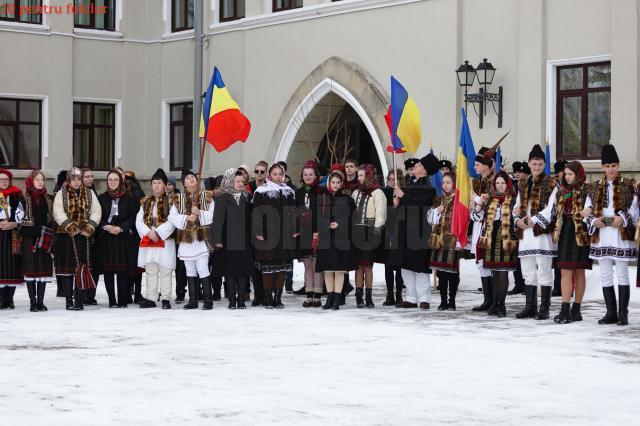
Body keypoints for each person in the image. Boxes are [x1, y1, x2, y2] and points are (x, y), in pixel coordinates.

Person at [583, 145, 638, 326]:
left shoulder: (629, 185)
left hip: (620, 235)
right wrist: (592, 221)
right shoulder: (593, 187)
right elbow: (588, 209)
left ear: (619, 165)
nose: (611, 169)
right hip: (602, 236)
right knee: (605, 274)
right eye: (607, 166)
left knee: (622, 273)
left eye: (614, 165)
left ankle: (623, 314)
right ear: (602, 167)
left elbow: (634, 208)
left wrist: (622, 218)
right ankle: (610, 312)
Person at [513, 144, 559, 320]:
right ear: (529, 164)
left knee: (544, 271)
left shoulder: (552, 183)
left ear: (544, 164)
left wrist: (533, 220)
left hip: (541, 232)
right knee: (527, 271)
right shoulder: (523, 184)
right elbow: (517, 206)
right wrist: (517, 220)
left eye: (540, 164)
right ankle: (530, 306)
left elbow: (551, 208)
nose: (537, 167)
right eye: (534, 163)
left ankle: (544, 308)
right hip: (526, 233)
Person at [392, 154, 438, 309]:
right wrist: (397, 202)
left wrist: (403, 196)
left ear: (424, 170)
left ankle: (424, 297)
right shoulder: (409, 184)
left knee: (419, 265)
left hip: (419, 231)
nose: (415, 167)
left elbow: (420, 206)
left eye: (418, 165)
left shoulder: (429, 188)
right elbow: (405, 203)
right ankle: (411, 296)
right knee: (405, 264)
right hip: (404, 229)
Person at [53, 167, 102, 310]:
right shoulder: (60, 194)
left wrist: (89, 227)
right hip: (66, 236)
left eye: (78, 179)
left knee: (82, 268)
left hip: (84, 236)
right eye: (73, 179)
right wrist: (71, 227)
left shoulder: (90, 193)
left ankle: (79, 300)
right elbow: (58, 212)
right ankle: (69, 301)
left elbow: (96, 211)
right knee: (68, 270)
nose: (76, 182)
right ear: (68, 180)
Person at [473, 171, 519, 317]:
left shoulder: (513, 199)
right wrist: (480, 202)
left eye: (503, 183)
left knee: (502, 273)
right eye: (497, 183)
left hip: (505, 237)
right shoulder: (490, 199)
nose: (500, 186)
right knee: (494, 272)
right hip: (491, 237)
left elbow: (517, 218)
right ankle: (494, 303)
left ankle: (502, 305)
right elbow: (475, 217)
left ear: (508, 184)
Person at [252, 163, 297, 308]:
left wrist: (294, 228)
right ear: (269, 175)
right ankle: (268, 298)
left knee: (282, 267)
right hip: (267, 234)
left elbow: (293, 212)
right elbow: (256, 212)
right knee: (268, 267)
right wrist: (258, 231)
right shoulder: (261, 191)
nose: (278, 176)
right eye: (275, 174)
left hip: (285, 234)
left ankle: (278, 297)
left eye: (280, 174)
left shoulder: (289, 191)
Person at [552, 161, 592, 324]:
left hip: (580, 231)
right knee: (565, 271)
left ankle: (576, 308)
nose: (567, 177)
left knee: (579, 271)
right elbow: (555, 210)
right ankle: (565, 309)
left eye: (570, 174)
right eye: (566, 174)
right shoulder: (561, 190)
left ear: (578, 174)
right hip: (565, 231)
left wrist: (585, 212)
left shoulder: (586, 189)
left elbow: (591, 207)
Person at [169, 169, 215, 310]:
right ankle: (193, 300)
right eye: (188, 178)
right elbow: (172, 217)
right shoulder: (178, 199)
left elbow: (213, 214)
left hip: (201, 238)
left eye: (193, 177)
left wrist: (200, 213)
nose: (191, 179)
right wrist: (187, 218)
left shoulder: (207, 196)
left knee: (202, 268)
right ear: (184, 183)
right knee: (190, 270)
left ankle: (208, 300)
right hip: (186, 238)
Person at [211, 168, 254, 309]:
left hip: (244, 239)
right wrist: (217, 239)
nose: (240, 184)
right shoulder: (223, 198)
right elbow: (218, 220)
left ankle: (241, 299)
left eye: (242, 181)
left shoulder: (247, 197)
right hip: (228, 240)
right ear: (230, 181)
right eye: (237, 181)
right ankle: (231, 300)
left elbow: (251, 219)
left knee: (242, 270)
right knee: (230, 271)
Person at [95, 169, 138, 308]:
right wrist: (107, 227)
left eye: (116, 179)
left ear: (120, 181)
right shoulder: (102, 198)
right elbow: (97, 217)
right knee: (108, 271)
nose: (113, 182)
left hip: (122, 238)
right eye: (110, 180)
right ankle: (112, 300)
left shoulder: (128, 198)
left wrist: (121, 228)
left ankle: (122, 300)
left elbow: (132, 217)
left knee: (122, 270)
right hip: (107, 238)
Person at [135, 168, 177, 309]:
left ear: (165, 185)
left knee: (165, 269)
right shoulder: (145, 201)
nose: (157, 186)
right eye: (154, 183)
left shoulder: (172, 201)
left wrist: (158, 233)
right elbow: (138, 220)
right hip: (149, 241)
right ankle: (151, 298)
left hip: (164, 240)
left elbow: (172, 221)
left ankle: (165, 298)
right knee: (151, 269)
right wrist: (148, 233)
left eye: (159, 183)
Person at [315, 170, 356, 310]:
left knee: (339, 269)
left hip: (341, 237)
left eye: (338, 182)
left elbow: (352, 217)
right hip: (326, 236)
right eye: (333, 182)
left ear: (342, 183)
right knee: (327, 269)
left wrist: (339, 223)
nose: (336, 185)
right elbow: (317, 217)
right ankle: (330, 298)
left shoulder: (348, 199)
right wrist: (325, 224)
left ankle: (337, 299)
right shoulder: (322, 198)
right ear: (329, 183)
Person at [351, 164, 387, 308]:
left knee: (368, 266)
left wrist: (376, 232)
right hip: (357, 232)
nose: (358, 178)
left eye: (361, 175)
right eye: (358, 176)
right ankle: (358, 297)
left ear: (369, 175)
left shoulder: (378, 193)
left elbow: (381, 214)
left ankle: (369, 296)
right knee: (358, 266)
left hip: (370, 232)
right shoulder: (356, 193)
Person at [20, 170, 54, 312]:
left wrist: (45, 233)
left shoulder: (48, 198)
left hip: (45, 238)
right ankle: (32, 302)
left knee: (43, 270)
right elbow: (20, 221)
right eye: (37, 180)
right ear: (31, 182)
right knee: (31, 270)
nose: (40, 182)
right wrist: (34, 232)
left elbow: (51, 219)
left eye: (42, 180)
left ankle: (41, 301)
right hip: (29, 239)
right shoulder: (24, 199)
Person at [427, 172, 461, 311]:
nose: (445, 185)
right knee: (441, 272)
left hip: (452, 240)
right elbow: (430, 219)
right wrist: (437, 211)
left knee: (452, 272)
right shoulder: (439, 199)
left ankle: (451, 301)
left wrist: (460, 239)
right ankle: (443, 301)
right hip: (440, 240)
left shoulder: (458, 200)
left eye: (448, 182)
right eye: (444, 183)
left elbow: (462, 221)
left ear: (454, 184)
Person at [470, 147, 496, 311]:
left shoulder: (496, 181)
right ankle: (488, 299)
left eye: (478, 164)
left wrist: (477, 199)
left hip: (492, 226)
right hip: (479, 225)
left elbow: (493, 203)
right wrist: (476, 203)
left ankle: (495, 300)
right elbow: (473, 207)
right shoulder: (477, 182)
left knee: (490, 262)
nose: (475, 167)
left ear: (486, 165)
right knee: (481, 263)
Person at [295, 160, 324, 307]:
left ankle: (317, 296)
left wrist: (317, 231)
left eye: (310, 174)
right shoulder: (298, 192)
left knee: (317, 265)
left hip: (317, 232)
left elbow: (322, 213)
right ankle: (309, 295)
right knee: (307, 266)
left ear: (315, 176)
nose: (307, 177)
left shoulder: (321, 191)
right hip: (303, 233)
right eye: (305, 174)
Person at [0, 168, 24, 309]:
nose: (3, 182)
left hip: (12, 235)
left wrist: (14, 223)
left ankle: (10, 298)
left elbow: (23, 215)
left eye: (6, 179)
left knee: (11, 265)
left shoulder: (17, 196)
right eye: (1, 179)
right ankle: (2, 298)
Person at [381, 170, 404, 306]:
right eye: (390, 179)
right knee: (388, 265)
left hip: (400, 231)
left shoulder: (403, 193)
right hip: (387, 231)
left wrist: (398, 205)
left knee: (399, 265)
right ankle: (389, 294)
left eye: (395, 179)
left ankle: (399, 294)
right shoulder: (384, 193)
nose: (392, 181)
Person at [507, 161, 529, 296]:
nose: (518, 174)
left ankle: (527, 284)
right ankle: (518, 283)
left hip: (526, 224)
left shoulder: (528, 186)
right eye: (516, 172)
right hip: (514, 224)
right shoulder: (513, 186)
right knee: (516, 256)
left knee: (525, 257)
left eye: (521, 172)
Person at [551, 160, 569, 297]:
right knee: (557, 258)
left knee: (564, 257)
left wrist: (563, 197)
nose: (566, 174)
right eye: (563, 171)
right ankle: (557, 286)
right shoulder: (553, 185)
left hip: (567, 224)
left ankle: (566, 287)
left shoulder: (570, 187)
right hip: (554, 224)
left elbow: (569, 195)